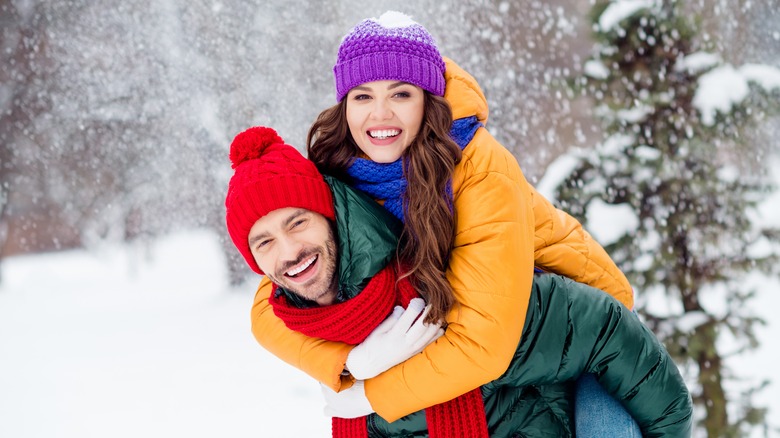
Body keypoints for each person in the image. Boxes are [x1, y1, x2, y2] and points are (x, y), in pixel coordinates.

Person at [250, 10, 642, 435]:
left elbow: (483, 344)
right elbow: (268, 307)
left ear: (429, 100)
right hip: (508, 349)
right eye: (362, 96)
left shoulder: (479, 168)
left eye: (400, 94)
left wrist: (368, 395)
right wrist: (349, 363)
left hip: (579, 332)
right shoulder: (335, 172)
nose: (379, 115)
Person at [224, 126, 692, 437]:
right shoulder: (317, 327)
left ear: (331, 215)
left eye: (298, 223)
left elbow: (602, 325)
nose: (287, 252)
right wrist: (351, 366)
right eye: (263, 242)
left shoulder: (439, 279)